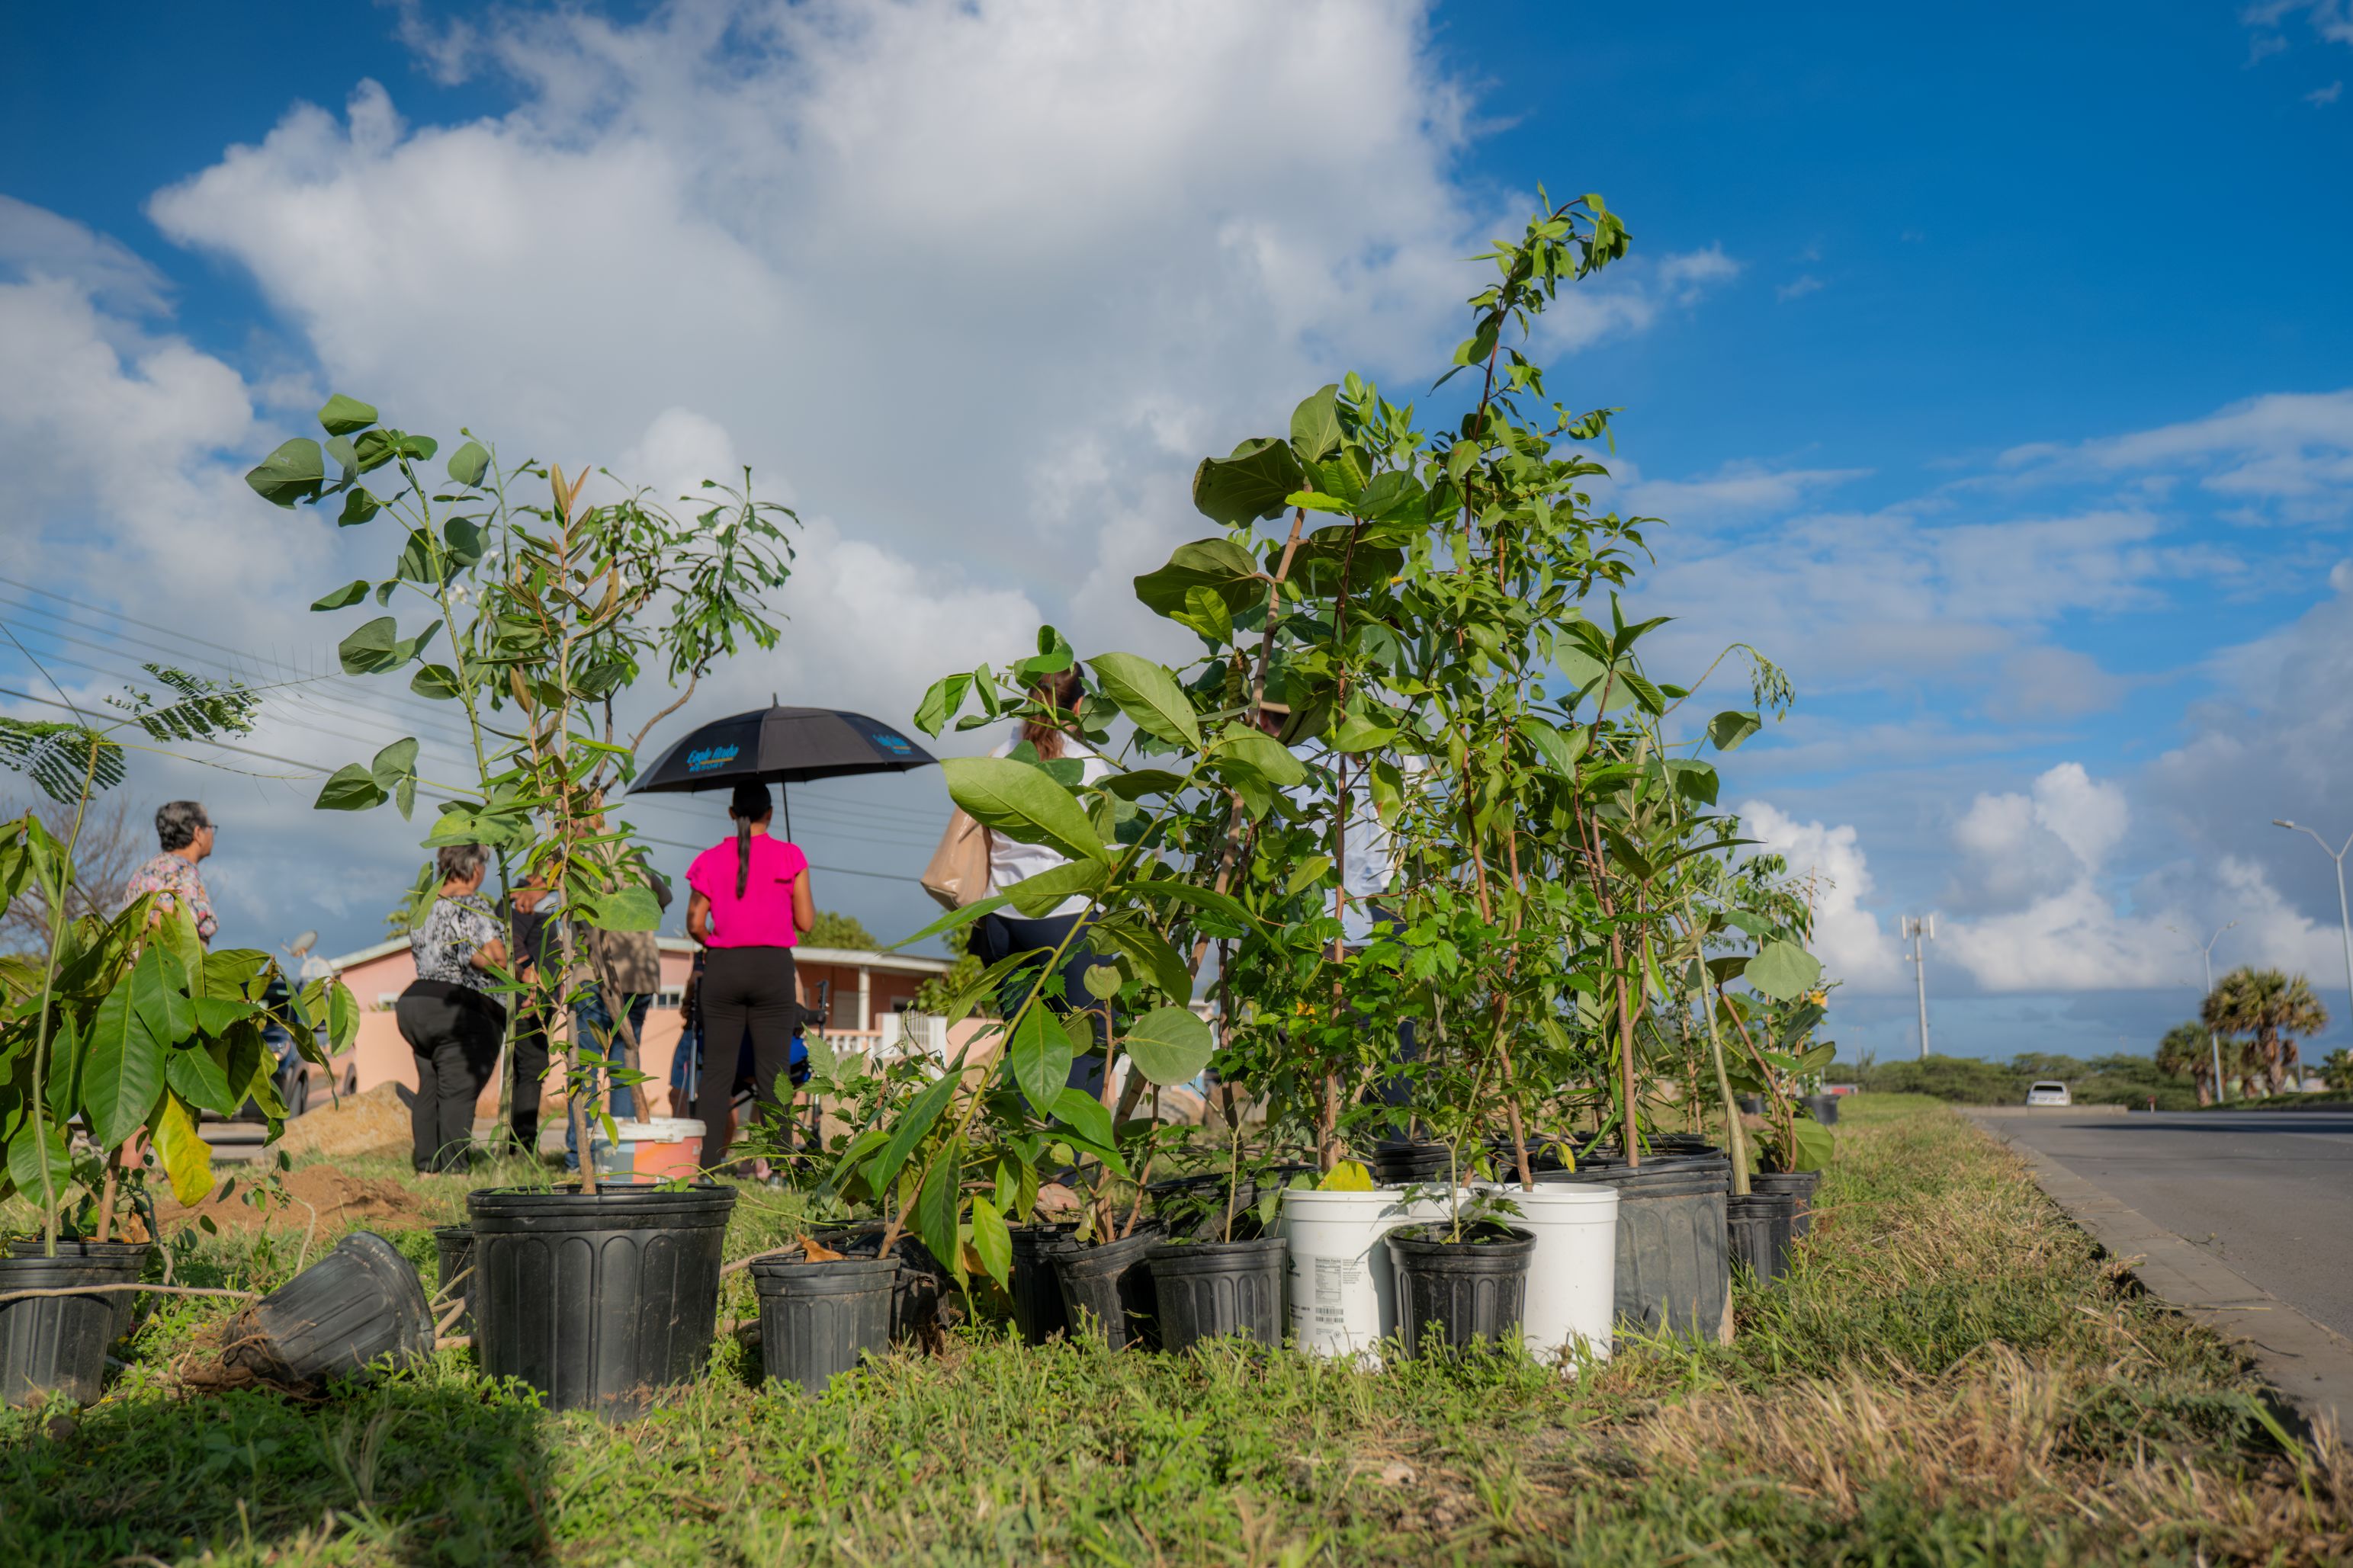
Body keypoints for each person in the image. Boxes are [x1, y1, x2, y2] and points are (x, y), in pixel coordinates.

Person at [969, 670, 1117, 1092]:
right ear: (1077, 706)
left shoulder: (998, 757)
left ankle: (1023, 1151)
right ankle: (1068, 1157)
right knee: (1086, 1050)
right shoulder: (1088, 765)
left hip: (1001, 919)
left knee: (1024, 1051)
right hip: (1065, 918)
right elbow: (1109, 852)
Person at [686, 781, 813, 1172]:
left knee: (717, 1073)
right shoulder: (790, 856)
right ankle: (776, 1167)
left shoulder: (710, 859)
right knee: (773, 1072)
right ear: (770, 813)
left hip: (723, 968)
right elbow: (806, 922)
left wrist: (714, 942)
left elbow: (694, 921)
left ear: (731, 814)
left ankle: (706, 1166)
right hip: (772, 968)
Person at [394, 843, 510, 1172]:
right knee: (458, 1090)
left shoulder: (425, 906)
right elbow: (493, 956)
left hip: (417, 1004)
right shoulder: (471, 906)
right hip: (458, 1007)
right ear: (475, 869)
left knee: (430, 1087)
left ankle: (427, 1166)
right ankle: (454, 1170)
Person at [567, 868, 673, 1169]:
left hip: (595, 971)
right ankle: (621, 1157)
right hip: (639, 972)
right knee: (624, 1066)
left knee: (585, 1067)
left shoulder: (579, 855)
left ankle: (581, 1158)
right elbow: (664, 898)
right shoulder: (633, 856)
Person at [504, 873, 560, 1156]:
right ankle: (523, 1146)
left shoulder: (548, 900)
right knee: (531, 1067)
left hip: (543, 998)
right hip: (530, 999)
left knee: (528, 1068)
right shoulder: (521, 900)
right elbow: (510, 941)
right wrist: (529, 984)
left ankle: (518, 1144)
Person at [125, 800, 218, 945]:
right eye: (211, 827)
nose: (212, 834)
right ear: (198, 833)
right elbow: (171, 929)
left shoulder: (144, 870)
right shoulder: (184, 875)